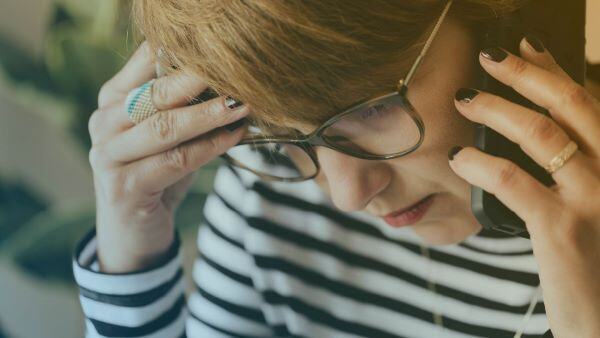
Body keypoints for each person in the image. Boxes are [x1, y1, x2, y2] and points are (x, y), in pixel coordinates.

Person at [73, 0, 600, 337]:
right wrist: (131, 252)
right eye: (282, 136)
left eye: (372, 108)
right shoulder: (269, 189)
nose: (347, 196)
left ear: (508, 19)